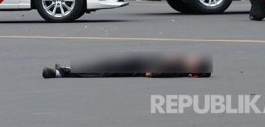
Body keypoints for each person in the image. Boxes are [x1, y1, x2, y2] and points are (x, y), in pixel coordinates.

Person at [42, 52, 212, 78]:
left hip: (136, 69)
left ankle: (62, 72)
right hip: (139, 63)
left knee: (102, 71)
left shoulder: (181, 71)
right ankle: (65, 68)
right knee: (102, 64)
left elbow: (153, 73)